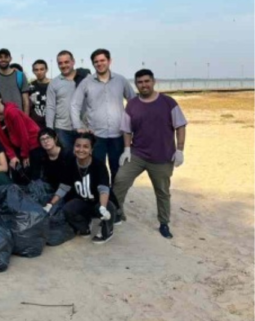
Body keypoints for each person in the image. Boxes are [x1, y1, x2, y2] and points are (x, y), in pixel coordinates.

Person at [112, 69, 187, 238]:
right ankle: (117, 212)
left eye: (147, 81)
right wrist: (126, 149)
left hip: (162, 157)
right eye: (140, 82)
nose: (144, 85)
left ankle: (164, 223)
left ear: (154, 82)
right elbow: (126, 129)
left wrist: (180, 149)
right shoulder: (132, 104)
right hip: (137, 154)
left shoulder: (168, 102)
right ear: (136, 84)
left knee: (162, 191)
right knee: (120, 181)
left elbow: (180, 126)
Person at [71, 48, 136, 186]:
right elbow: (74, 105)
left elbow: (134, 101)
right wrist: (78, 126)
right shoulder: (86, 82)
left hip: (118, 135)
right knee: (97, 170)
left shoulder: (120, 80)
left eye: (102, 60)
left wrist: (132, 124)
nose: (99, 64)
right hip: (96, 136)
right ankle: (98, 202)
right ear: (93, 64)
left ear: (109, 61)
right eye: (96, 62)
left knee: (117, 171)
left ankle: (116, 203)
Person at [43, 133, 117, 244]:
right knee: (68, 209)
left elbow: (103, 189)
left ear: (91, 149)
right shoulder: (70, 163)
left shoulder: (99, 165)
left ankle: (108, 230)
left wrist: (102, 207)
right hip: (84, 201)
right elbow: (63, 187)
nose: (81, 149)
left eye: (86, 147)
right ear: (73, 147)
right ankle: (85, 227)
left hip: (100, 201)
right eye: (78, 146)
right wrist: (50, 204)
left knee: (107, 208)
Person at [0, 89, 40, 179]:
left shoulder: (12, 112)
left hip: (32, 142)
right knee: (16, 171)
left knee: (32, 173)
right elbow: (2, 139)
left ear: (0, 98)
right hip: (17, 145)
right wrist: (12, 156)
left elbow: (23, 134)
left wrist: (25, 155)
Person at [46, 50, 90, 152]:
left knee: (84, 158)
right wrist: (49, 130)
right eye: (60, 63)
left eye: (66, 62)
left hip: (83, 127)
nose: (64, 65)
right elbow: (50, 107)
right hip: (62, 129)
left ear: (73, 62)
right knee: (67, 159)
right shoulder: (54, 83)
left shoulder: (86, 79)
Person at [27, 59, 50, 129]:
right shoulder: (30, 86)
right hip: (35, 124)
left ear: (46, 70)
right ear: (33, 71)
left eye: (41, 69)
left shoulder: (53, 85)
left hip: (50, 122)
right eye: (36, 70)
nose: (39, 72)